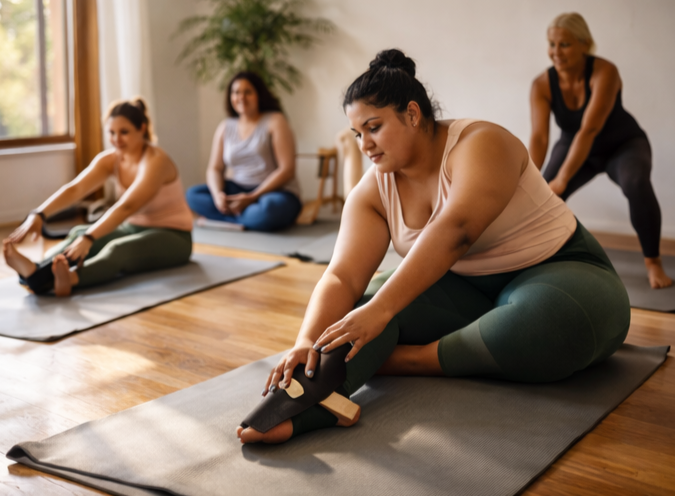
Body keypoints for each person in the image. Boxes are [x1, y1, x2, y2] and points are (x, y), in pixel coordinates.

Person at [236, 49, 630, 445]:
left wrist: (382, 310)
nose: (364, 145)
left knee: (551, 323)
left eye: (373, 127)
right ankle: (307, 410)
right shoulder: (373, 190)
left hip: (561, 271)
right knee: (357, 313)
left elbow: (457, 230)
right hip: (463, 290)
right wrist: (307, 340)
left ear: (411, 113)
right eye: (357, 134)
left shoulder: (481, 142)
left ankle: (405, 360)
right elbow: (342, 276)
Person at [529, 12, 671, 289]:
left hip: (623, 144)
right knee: (542, 197)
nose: (556, 52)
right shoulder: (542, 84)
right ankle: (535, 261)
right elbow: (539, 137)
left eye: (565, 44)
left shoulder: (605, 72)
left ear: (585, 44)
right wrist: (530, 179)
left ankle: (653, 262)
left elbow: (589, 130)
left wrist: (563, 178)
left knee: (636, 183)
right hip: (574, 144)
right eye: (552, 44)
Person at [3, 98, 193, 297]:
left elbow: (126, 207)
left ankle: (68, 280)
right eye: (111, 133)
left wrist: (90, 237)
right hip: (132, 227)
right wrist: (39, 214)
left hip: (174, 236)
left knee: (117, 249)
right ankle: (38, 269)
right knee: (78, 233)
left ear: (142, 129)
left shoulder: (156, 161)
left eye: (124, 132)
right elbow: (75, 190)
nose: (116, 139)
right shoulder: (111, 159)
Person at [186, 72, 302, 231]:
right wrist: (217, 195)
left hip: (274, 193)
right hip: (238, 188)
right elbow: (215, 168)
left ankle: (231, 218)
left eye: (248, 92)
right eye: (236, 92)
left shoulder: (275, 121)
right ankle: (244, 217)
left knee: (268, 209)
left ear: (259, 95)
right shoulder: (225, 127)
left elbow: (287, 170)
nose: (241, 97)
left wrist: (252, 197)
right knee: (193, 195)